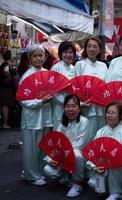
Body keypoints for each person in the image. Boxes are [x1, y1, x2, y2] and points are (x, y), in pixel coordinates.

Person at [19, 44, 53, 185]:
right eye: (35, 56)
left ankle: (38, 171)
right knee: (30, 148)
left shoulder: (47, 73)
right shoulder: (27, 76)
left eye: (41, 55)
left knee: (41, 147)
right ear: (29, 58)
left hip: (45, 116)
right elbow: (23, 99)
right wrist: (40, 101)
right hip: (32, 117)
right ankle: (31, 175)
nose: (38, 58)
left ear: (45, 57)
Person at [44, 94, 89, 197]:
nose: (70, 109)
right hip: (63, 157)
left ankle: (77, 184)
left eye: (74, 106)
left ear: (79, 107)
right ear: (64, 108)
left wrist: (61, 155)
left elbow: (79, 145)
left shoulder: (84, 122)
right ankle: (66, 176)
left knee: (77, 154)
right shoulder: (62, 123)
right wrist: (52, 158)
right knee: (48, 170)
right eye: (67, 106)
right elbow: (55, 144)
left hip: (77, 156)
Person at [88, 102, 122, 200]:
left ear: (120, 115)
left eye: (113, 113)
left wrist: (113, 160)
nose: (110, 115)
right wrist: (94, 166)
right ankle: (108, 186)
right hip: (102, 166)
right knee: (93, 184)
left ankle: (117, 192)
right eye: (108, 112)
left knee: (114, 163)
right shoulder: (101, 131)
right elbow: (93, 151)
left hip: (119, 166)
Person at [75, 37, 108, 141]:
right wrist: (81, 103)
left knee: (100, 136)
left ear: (99, 50)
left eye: (95, 47)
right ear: (85, 49)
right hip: (86, 107)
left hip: (101, 108)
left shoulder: (103, 66)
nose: (91, 49)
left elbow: (107, 85)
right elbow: (76, 86)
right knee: (87, 137)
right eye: (89, 46)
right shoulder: (80, 65)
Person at [51, 41, 76, 130]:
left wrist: (74, 105)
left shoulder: (75, 69)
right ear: (60, 54)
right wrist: (67, 104)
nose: (68, 55)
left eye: (70, 52)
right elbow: (52, 91)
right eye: (65, 52)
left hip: (74, 109)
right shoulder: (56, 68)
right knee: (59, 134)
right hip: (60, 108)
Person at [0, 49, 14, 129]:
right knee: (5, 105)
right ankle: (5, 124)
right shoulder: (6, 64)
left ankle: (2, 123)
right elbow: (6, 70)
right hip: (6, 88)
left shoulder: (2, 64)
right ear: (10, 56)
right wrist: (9, 77)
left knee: (2, 105)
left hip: (2, 87)